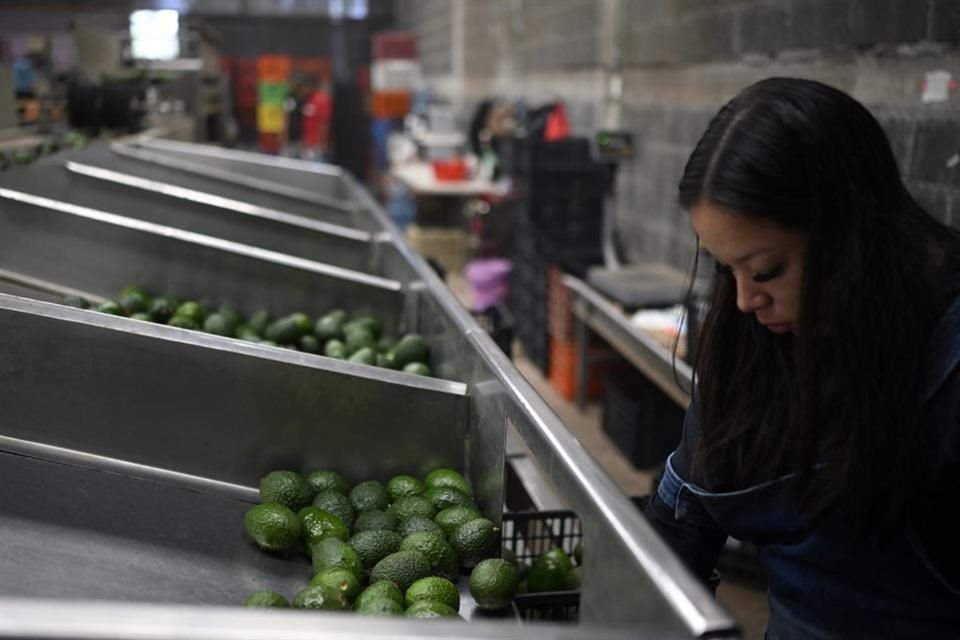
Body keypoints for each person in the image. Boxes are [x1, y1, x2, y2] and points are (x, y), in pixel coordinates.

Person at [644, 77, 960, 639]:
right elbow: (683, 513)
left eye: (765, 271)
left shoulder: (945, 359)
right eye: (726, 270)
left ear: (849, 237)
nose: (744, 301)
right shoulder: (751, 343)